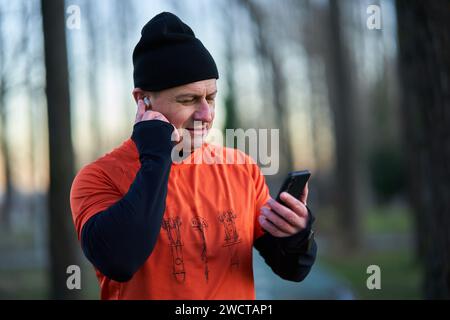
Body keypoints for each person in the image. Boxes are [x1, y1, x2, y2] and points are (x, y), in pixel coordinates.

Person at [70, 12, 317, 300]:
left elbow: (290, 269)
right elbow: (120, 260)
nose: (207, 114)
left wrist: (297, 233)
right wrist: (156, 153)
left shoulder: (241, 168)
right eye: (187, 100)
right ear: (143, 100)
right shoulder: (97, 177)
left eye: (210, 98)